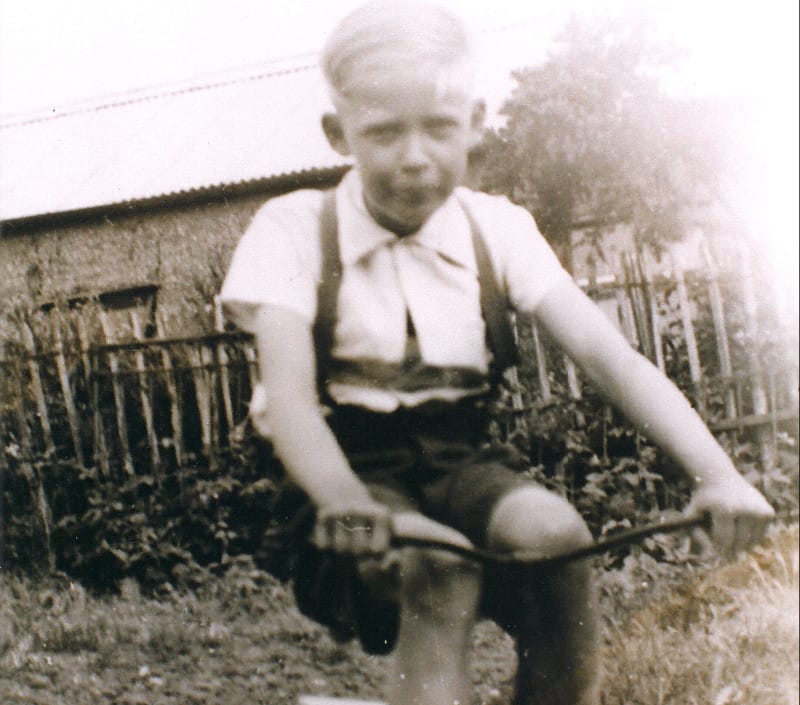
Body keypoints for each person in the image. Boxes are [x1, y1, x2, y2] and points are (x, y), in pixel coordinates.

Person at [219, 2, 775, 703]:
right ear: (339, 134)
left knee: (555, 535)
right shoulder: (295, 229)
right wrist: (347, 501)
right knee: (437, 566)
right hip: (342, 474)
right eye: (385, 131)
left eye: (440, 127)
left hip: (461, 462)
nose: (414, 154)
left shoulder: (498, 230)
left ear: (476, 123)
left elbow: (615, 361)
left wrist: (716, 472)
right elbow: (292, 401)